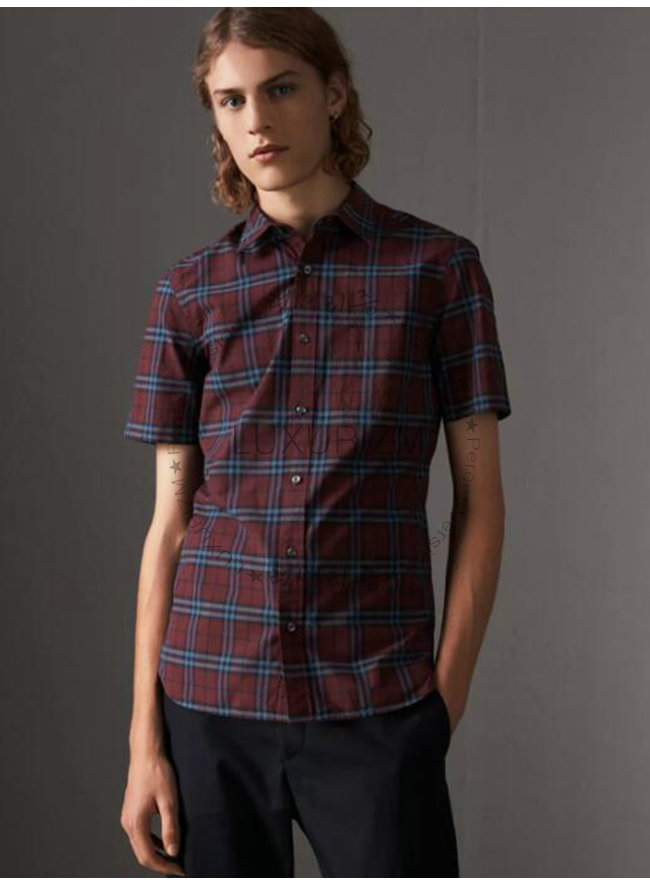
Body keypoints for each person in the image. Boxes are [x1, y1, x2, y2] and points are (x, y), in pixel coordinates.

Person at [120, 7, 512, 878]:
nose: (256, 120)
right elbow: (170, 526)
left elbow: (480, 501)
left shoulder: (438, 271)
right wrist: (145, 743)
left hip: (377, 702)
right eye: (230, 100)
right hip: (209, 702)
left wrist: (441, 705)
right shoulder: (188, 294)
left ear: (334, 94)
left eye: (281, 89)